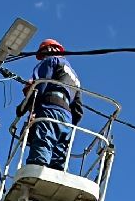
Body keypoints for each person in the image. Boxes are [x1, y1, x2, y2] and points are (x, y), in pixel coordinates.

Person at [18, 38, 85, 171]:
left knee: (43, 142)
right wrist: (69, 126)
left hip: (50, 110)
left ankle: (36, 171)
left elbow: (39, 86)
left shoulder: (51, 61)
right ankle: (55, 174)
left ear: (49, 50)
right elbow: (78, 110)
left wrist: (22, 108)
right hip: (67, 118)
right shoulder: (75, 77)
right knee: (58, 155)